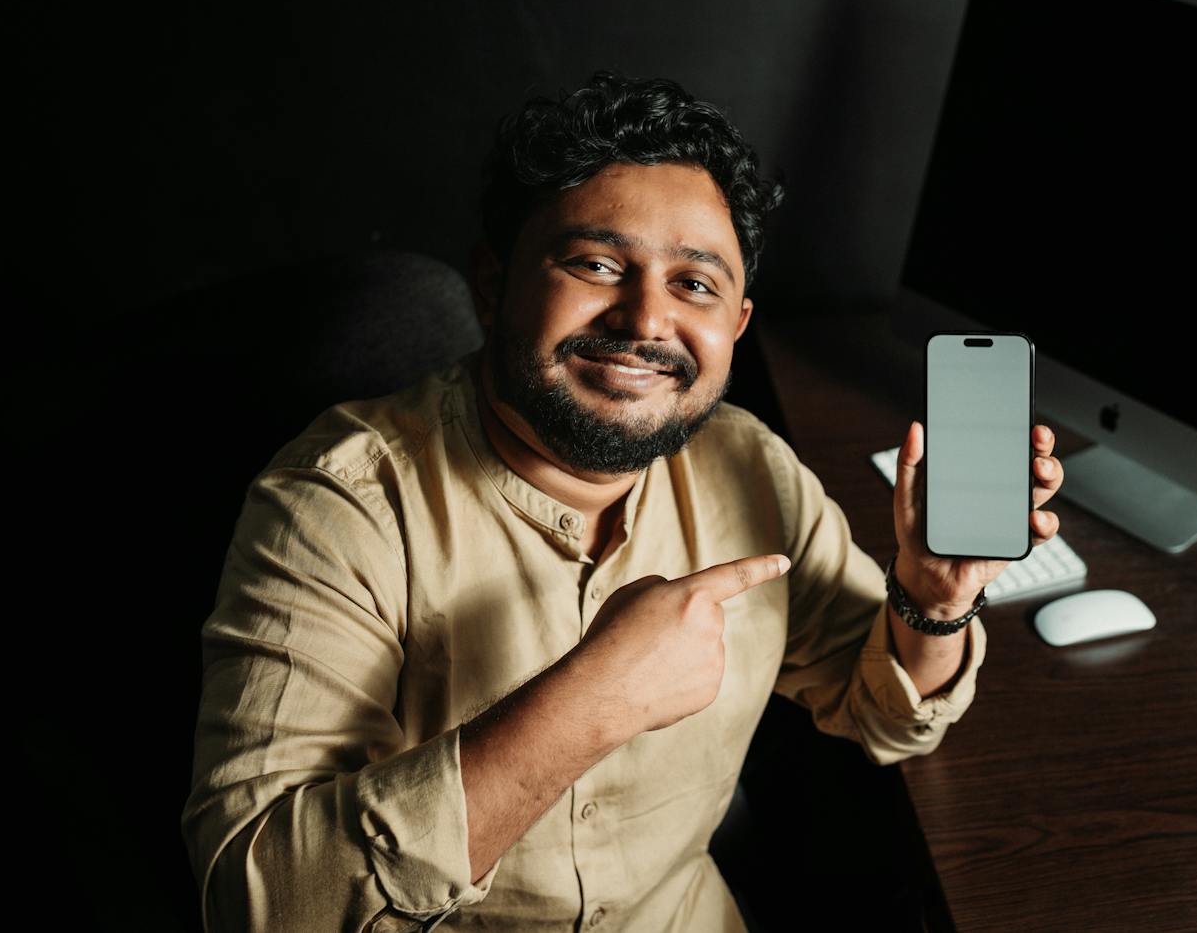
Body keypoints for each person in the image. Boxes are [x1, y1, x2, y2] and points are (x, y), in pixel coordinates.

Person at [182, 71, 1065, 932]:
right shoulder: (336, 502)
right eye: (597, 263)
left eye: (694, 283)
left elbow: (881, 713)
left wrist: (935, 600)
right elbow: (256, 901)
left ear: (737, 324)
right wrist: (589, 702)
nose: (646, 319)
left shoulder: (749, 464)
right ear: (494, 286)